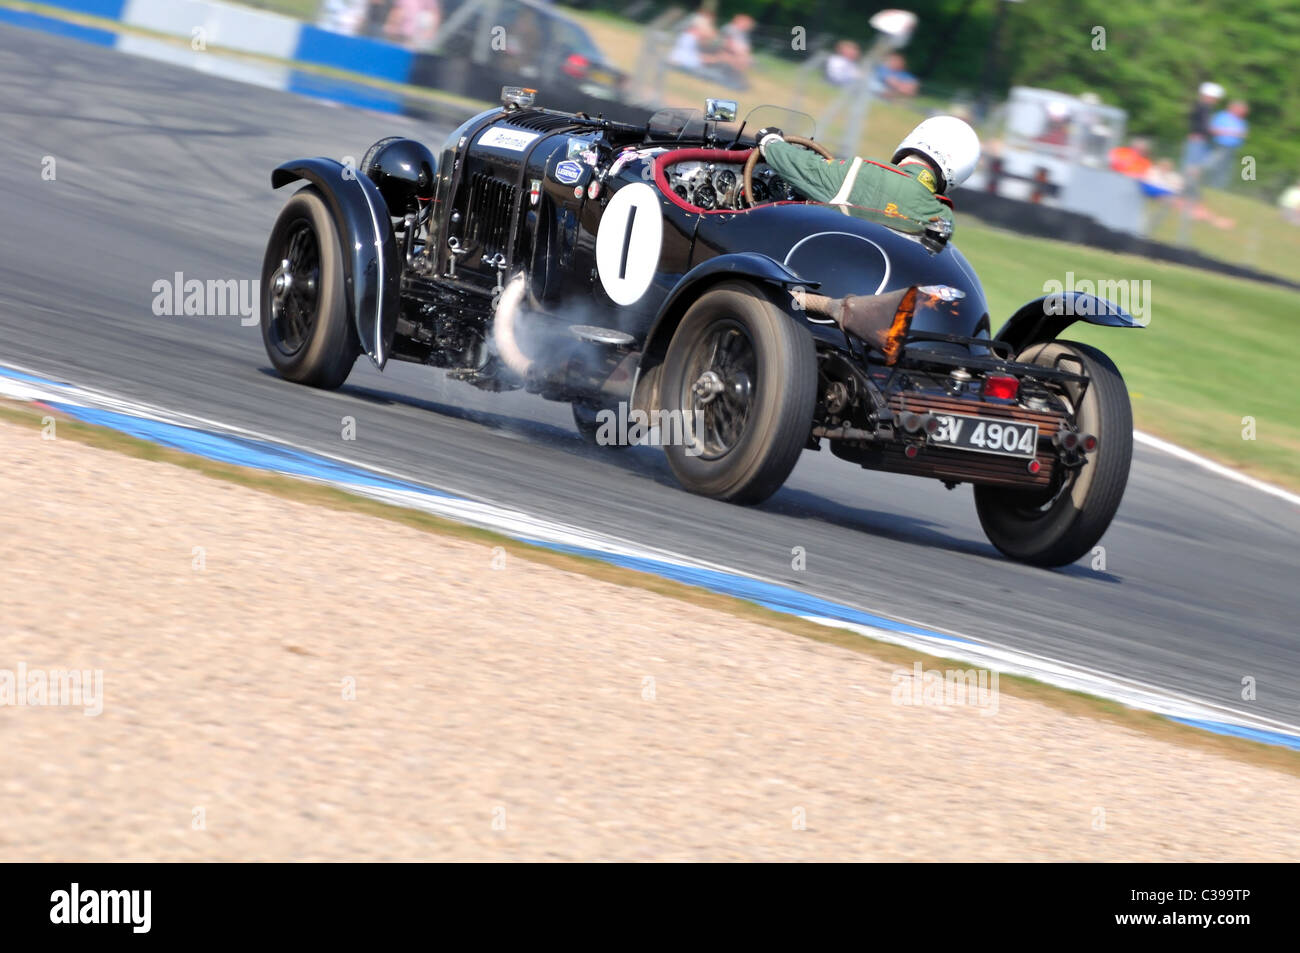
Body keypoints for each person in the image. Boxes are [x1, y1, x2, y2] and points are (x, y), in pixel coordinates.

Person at [756, 115, 980, 234]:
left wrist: (771, 141)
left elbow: (804, 168)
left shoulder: (861, 173)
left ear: (916, 137)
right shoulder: (942, 218)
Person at [1206, 100, 1249, 188]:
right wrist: (1231, 133)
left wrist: (1241, 135)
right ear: (1233, 108)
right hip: (1220, 145)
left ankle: (1217, 187)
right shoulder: (1222, 116)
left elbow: (1243, 134)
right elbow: (1213, 129)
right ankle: (1203, 180)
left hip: (1232, 148)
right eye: (1241, 110)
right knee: (1213, 164)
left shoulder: (1241, 121)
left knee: (1225, 168)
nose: (1243, 112)